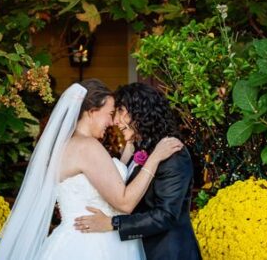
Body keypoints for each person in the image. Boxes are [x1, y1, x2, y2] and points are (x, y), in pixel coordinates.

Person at [0, 79, 183, 260]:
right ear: (92, 111)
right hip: (95, 243)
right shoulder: (88, 147)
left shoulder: (68, 145)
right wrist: (155, 158)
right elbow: (124, 203)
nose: (112, 122)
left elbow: (108, 180)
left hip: (72, 239)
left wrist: (129, 147)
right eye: (110, 113)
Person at [74, 82, 202, 260]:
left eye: (119, 111)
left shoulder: (172, 153)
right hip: (137, 250)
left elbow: (165, 215)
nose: (115, 121)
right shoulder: (140, 149)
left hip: (167, 253)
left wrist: (112, 223)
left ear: (139, 112)